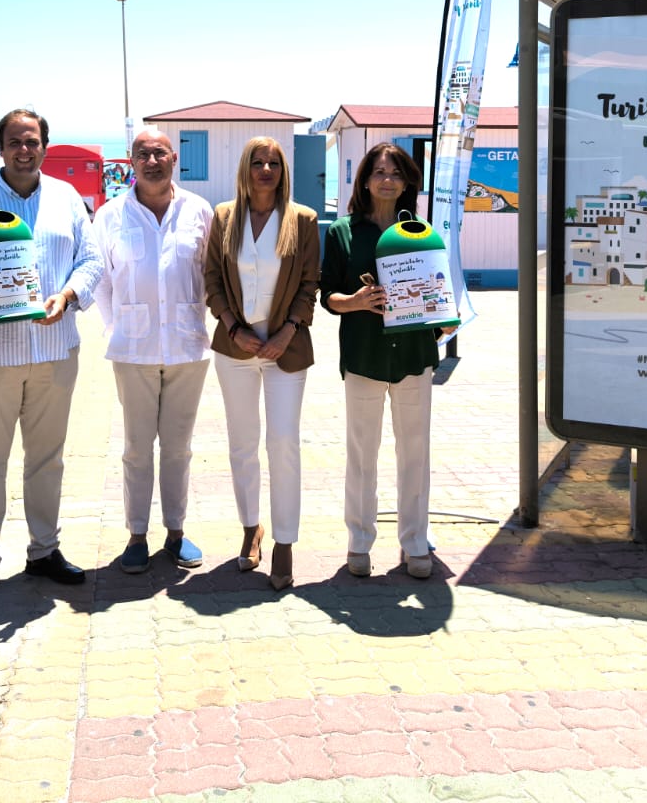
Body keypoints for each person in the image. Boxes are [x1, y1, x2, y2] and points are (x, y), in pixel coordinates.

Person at [0, 108, 104, 602]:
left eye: (32, 141)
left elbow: (91, 260)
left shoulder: (67, 198)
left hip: (54, 350)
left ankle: (44, 549)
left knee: (47, 460)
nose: (24, 150)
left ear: (44, 146)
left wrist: (69, 296)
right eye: (15, 141)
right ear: (1, 148)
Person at [92, 127, 213, 573]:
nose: (152, 160)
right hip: (133, 350)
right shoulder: (110, 215)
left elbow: (211, 273)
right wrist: (117, 327)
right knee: (137, 448)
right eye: (143, 154)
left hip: (187, 347)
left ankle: (176, 532)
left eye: (159, 152)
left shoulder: (199, 211)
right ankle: (137, 535)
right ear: (131, 161)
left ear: (173, 159)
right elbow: (102, 279)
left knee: (179, 448)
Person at [203, 136, 319, 590]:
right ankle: (252, 527)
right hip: (236, 350)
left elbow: (310, 284)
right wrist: (234, 328)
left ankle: (284, 542)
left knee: (284, 443)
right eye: (258, 162)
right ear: (245, 169)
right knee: (242, 442)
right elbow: (211, 280)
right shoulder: (224, 217)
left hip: (285, 351)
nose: (266, 170)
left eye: (273, 163)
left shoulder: (302, 219)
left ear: (282, 170)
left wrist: (287, 331)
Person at [320, 142, 438, 580]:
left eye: (395, 173)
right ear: (365, 180)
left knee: (415, 454)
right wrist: (353, 301)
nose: (387, 179)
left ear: (407, 182)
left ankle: (414, 542)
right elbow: (326, 295)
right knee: (361, 454)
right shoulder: (342, 232)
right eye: (378, 172)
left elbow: (438, 290)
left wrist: (442, 319)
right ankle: (360, 541)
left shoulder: (421, 231)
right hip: (364, 356)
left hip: (414, 354)